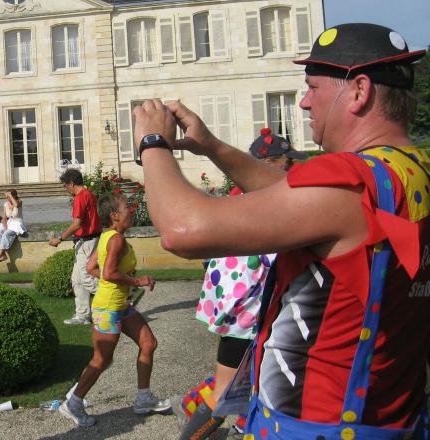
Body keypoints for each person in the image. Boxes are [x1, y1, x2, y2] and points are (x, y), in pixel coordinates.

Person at [132, 23, 429, 437]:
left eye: (312, 87)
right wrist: (212, 146)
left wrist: (152, 143)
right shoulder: (407, 171)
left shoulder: (347, 182)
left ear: (359, 91)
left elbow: (182, 230)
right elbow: (297, 194)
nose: (304, 102)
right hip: (390, 419)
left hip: (310, 425)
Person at [179, 129, 305, 440]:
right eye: (287, 162)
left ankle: (241, 422)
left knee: (246, 384)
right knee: (224, 392)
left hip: (239, 308)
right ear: (268, 164)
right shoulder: (263, 203)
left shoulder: (241, 196)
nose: (291, 168)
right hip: (246, 312)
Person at [59, 192, 170, 428]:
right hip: (108, 308)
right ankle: (73, 403)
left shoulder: (107, 236)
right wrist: (136, 281)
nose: (131, 210)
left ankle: (143, 398)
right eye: (126, 207)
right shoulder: (116, 240)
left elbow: (92, 267)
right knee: (102, 359)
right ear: (114, 215)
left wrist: (117, 282)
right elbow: (108, 273)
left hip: (120, 304)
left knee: (148, 343)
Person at [49, 168, 101, 325]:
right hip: (86, 240)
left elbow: (77, 223)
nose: (66, 189)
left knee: (87, 279)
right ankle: (82, 315)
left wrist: (60, 239)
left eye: (65, 185)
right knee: (77, 280)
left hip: (87, 242)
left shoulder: (80, 197)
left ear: (71, 183)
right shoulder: (89, 194)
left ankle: (120, 296)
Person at [0, 189, 25, 265]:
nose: (7, 198)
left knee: (7, 233)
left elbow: (16, 205)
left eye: (8, 196)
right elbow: (4, 217)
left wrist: (10, 195)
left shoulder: (19, 201)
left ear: (14, 196)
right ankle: (3, 254)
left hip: (17, 223)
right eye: (6, 196)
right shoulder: (6, 204)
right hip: (9, 222)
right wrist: (5, 226)